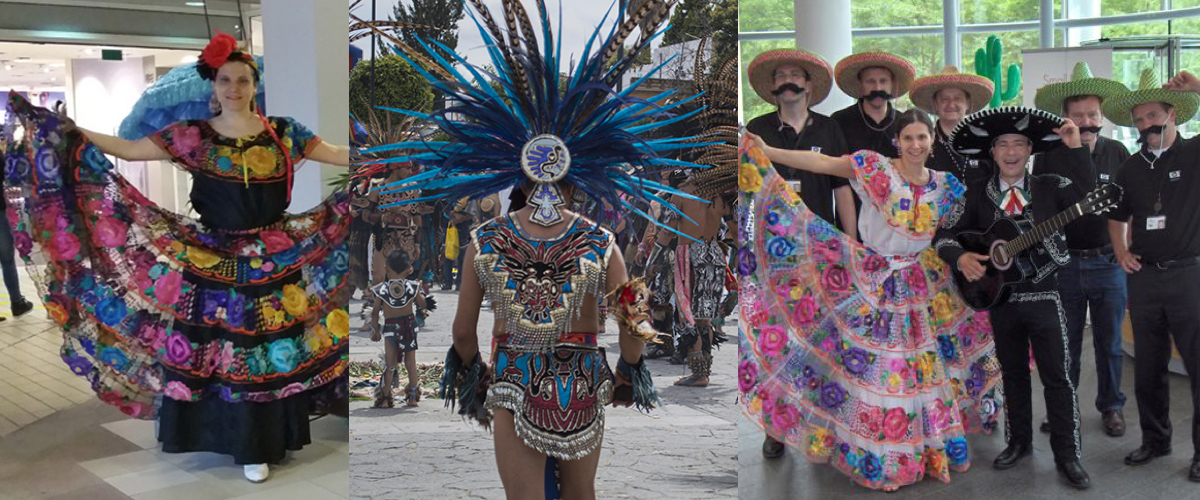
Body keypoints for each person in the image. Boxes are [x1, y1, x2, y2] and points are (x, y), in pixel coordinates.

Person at [365, 0, 700, 497]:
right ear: (577, 175)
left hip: (514, 380)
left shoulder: (486, 239)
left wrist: (476, 379)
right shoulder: (602, 241)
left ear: (518, 174)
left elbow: (461, 334)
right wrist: (630, 369)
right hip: (583, 383)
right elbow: (636, 322)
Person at [3, 32, 351, 483]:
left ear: (253, 84)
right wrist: (71, 132)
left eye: (243, 80)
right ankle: (226, 438)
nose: (234, 89)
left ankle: (258, 445)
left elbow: (337, 154)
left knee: (262, 351)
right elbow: (129, 150)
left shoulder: (284, 133)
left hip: (272, 259)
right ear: (214, 85)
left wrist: (388, 153)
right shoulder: (192, 137)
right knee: (216, 350)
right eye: (226, 80)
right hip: (210, 258)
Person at [741, 109, 1003, 491]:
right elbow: (822, 161)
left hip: (928, 283)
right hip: (878, 280)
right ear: (897, 140)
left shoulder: (945, 185)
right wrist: (769, 152)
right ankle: (884, 458)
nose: (915, 145)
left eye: (922, 138)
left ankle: (926, 451)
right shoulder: (875, 169)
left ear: (932, 141)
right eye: (908, 138)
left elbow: (962, 229)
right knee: (882, 371)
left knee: (926, 371)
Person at [934, 106, 1093, 489]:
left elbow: (1092, 204)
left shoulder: (1052, 186)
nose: (1010, 151)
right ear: (991, 152)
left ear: (1030, 150)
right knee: (1013, 375)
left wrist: (1076, 151)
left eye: (1019, 143)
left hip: (1046, 297)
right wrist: (962, 257)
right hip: (999, 299)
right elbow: (942, 236)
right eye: (1002, 144)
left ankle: (1067, 453)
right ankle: (1018, 441)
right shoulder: (975, 193)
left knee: (1057, 378)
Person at [1103, 68, 1200, 480]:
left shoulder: (1195, 153)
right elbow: (1116, 215)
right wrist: (1121, 250)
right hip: (1143, 279)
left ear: (1173, 113)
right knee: (1147, 368)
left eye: (1154, 116)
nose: (1147, 126)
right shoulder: (1131, 167)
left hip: (1189, 277)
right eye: (1140, 120)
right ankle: (1155, 440)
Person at [1032, 61, 1132, 437]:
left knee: (1110, 344)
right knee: (1065, 343)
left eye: (1093, 114)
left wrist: (1127, 250)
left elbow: (1128, 210)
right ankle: (1063, 407)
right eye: (1078, 115)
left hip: (1108, 262)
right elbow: (1042, 209)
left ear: (1102, 115)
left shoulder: (1118, 152)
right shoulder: (1048, 157)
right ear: (1066, 118)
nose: (1087, 121)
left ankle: (1111, 407)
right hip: (1065, 266)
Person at [745, 49, 857, 239]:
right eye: (780, 76)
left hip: (820, 236)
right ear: (773, 85)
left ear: (808, 85)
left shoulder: (829, 127)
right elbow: (747, 188)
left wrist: (851, 241)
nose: (787, 80)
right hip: (771, 238)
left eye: (795, 75)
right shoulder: (757, 128)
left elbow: (842, 188)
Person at [909, 66, 996, 185]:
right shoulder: (922, 145)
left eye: (958, 98)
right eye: (944, 99)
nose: (951, 104)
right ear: (935, 104)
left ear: (968, 103)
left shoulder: (985, 142)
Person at [369, 248, 429, 407]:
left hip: (390, 327)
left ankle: (384, 399)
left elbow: (375, 312)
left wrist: (375, 330)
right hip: (409, 325)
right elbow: (423, 304)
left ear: (386, 268)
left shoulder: (381, 289)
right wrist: (420, 289)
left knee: (391, 364)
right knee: (411, 362)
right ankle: (413, 397)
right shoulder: (412, 287)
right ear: (409, 269)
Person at [830, 52, 917, 159]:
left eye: (883, 81)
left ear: (892, 84)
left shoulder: (904, 123)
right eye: (870, 81)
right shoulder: (839, 121)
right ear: (860, 85)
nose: (877, 88)